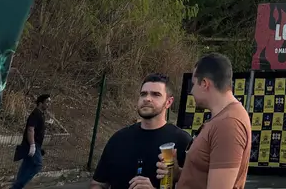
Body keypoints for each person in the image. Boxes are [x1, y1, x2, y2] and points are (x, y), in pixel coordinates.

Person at [157, 53, 251, 189]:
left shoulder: (228, 124)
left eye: (194, 84)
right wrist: (177, 173)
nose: (191, 91)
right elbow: (203, 177)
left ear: (205, 84)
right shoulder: (221, 119)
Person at [91, 74, 191, 189]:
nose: (147, 98)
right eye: (143, 94)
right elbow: (98, 183)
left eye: (156, 94)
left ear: (168, 102)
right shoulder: (119, 139)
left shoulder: (182, 141)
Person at [11, 94, 51, 189]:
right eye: (47, 102)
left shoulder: (41, 114)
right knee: (37, 165)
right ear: (40, 103)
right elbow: (30, 129)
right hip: (32, 144)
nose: (49, 104)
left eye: (50, 102)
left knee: (26, 165)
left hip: (35, 145)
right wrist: (32, 145)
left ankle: (16, 186)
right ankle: (16, 186)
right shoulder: (35, 114)